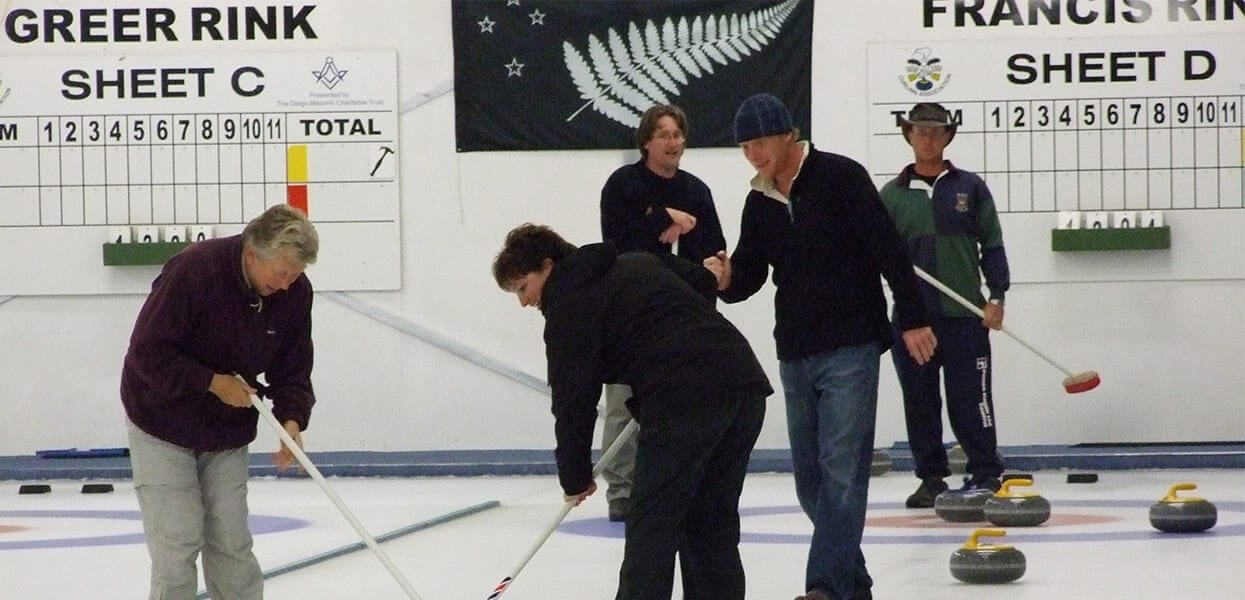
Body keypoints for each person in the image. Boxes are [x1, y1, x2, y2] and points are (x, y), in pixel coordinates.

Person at [703, 94, 936, 600]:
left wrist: (913, 318)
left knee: (842, 471)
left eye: (760, 142)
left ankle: (825, 588)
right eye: (744, 146)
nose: (753, 154)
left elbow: (888, 249)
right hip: (794, 352)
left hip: (851, 345)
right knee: (810, 481)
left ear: (789, 134)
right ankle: (854, 585)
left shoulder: (840, 177)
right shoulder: (759, 199)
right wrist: (725, 278)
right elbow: (751, 273)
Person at [493, 223, 771, 600]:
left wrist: (574, 477)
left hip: (684, 399)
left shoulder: (568, 307)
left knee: (651, 525)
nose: (524, 302)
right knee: (709, 521)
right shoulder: (637, 261)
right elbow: (703, 284)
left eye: (523, 287)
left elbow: (573, 400)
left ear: (547, 266)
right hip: (743, 384)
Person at [120, 204, 319, 600]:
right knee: (177, 543)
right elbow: (147, 354)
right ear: (251, 254)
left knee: (231, 541)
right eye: (281, 273)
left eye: (296, 274)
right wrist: (212, 382)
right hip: (162, 420)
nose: (286, 284)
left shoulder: (294, 292)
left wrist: (292, 420)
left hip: (226, 428)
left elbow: (293, 366)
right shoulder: (195, 271)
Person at [598, 103, 727, 522]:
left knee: (682, 402)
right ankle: (622, 489)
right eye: (664, 135)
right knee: (622, 402)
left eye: (678, 135)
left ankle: (679, 480)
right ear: (647, 141)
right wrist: (661, 219)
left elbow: (711, 251)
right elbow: (617, 244)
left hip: (682, 315)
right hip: (627, 312)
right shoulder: (623, 185)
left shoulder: (697, 191)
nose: (673, 143)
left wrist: (713, 270)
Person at [879, 102, 1011, 508]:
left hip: (965, 318)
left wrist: (997, 297)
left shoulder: (970, 188)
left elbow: (991, 244)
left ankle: (986, 472)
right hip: (913, 321)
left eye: (936, 131)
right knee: (920, 401)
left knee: (971, 399)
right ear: (908, 135)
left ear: (948, 136)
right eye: (920, 131)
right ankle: (932, 478)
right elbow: (878, 255)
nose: (928, 138)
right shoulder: (891, 196)